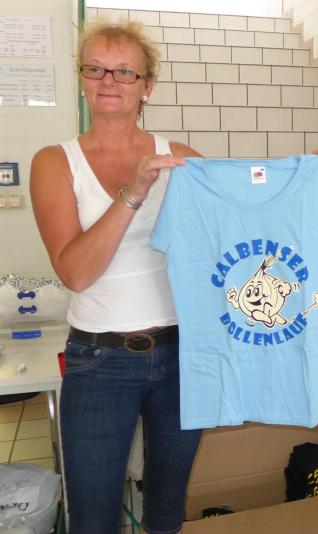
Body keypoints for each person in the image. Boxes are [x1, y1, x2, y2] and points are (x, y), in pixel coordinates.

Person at [29, 22, 203, 534]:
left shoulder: (183, 159)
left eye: (125, 71)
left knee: (167, 510)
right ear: (81, 78)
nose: (109, 80)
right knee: (92, 518)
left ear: (147, 86)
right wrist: (133, 192)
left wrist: (307, 175)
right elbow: (75, 272)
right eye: (96, 68)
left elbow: (248, 218)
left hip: (181, 354)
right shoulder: (54, 162)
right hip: (98, 361)